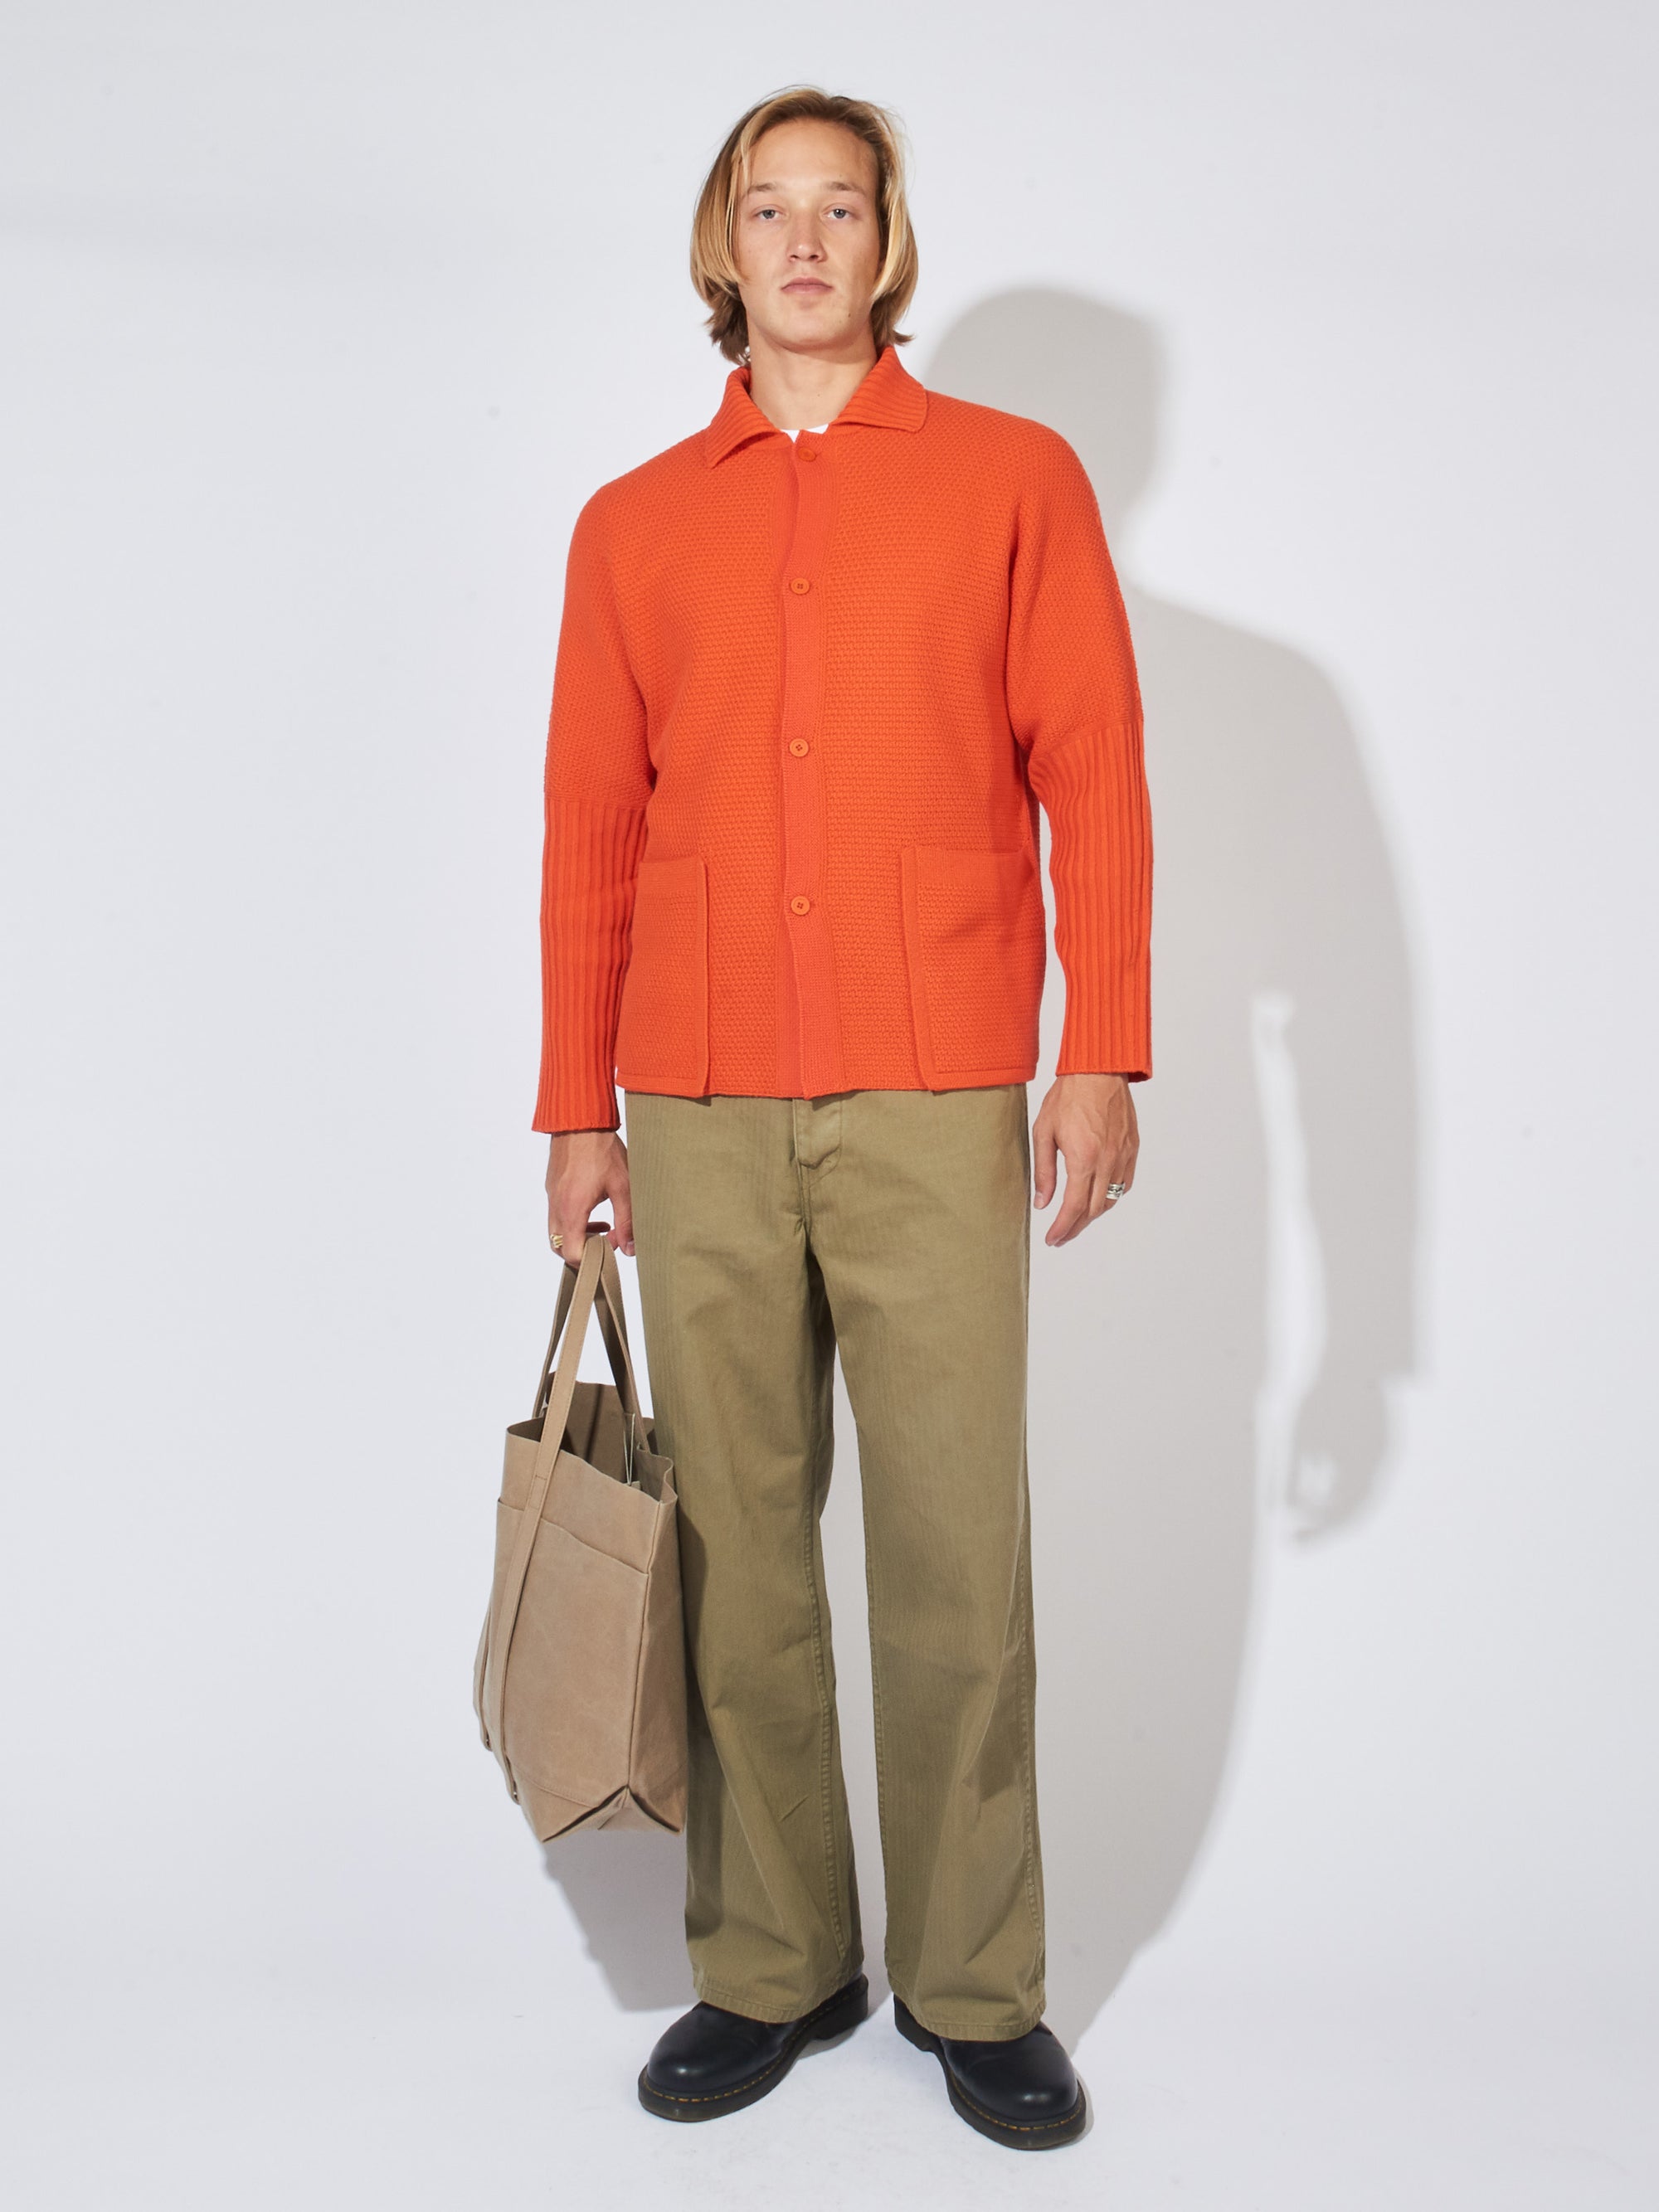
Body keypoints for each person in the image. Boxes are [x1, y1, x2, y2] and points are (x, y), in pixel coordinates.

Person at [534, 85, 1151, 2151]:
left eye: (841, 207)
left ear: (887, 245)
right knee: (733, 1544)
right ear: (723, 248)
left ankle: (975, 1983)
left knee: (957, 1539)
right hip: (696, 1089)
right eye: (766, 208)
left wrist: (1099, 1047)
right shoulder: (633, 524)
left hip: (937, 1076)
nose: (803, 241)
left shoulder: (1011, 481)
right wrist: (577, 1104)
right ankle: (772, 1958)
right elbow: (588, 827)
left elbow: (1094, 773)